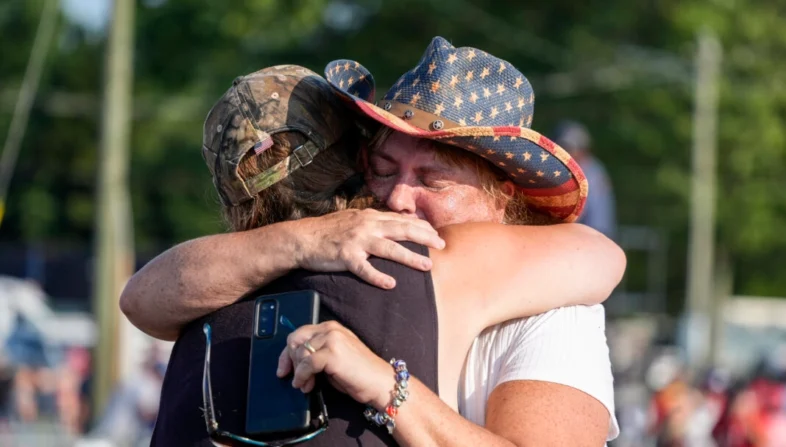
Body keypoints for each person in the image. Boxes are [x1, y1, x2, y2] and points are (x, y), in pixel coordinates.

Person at [127, 38, 623, 446]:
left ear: (502, 197)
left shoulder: (556, 310)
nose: (399, 199)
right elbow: (141, 298)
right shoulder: (285, 267)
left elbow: (601, 256)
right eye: (383, 170)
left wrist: (389, 387)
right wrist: (308, 238)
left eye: (433, 181)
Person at [552, 120, 617, 240]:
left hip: (592, 238)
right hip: (588, 236)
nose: (563, 153)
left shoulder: (591, 174)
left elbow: (580, 217)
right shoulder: (590, 169)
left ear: (582, 150)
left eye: (568, 148)